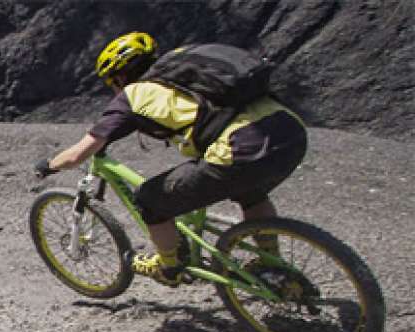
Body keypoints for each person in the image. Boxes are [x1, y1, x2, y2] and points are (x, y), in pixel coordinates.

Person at [33, 32, 308, 286]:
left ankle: (168, 268)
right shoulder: (186, 70)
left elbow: (79, 154)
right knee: (250, 191)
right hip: (290, 132)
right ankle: (272, 263)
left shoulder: (134, 95)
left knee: (149, 200)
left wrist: (48, 165)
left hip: (241, 149)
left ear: (118, 78)